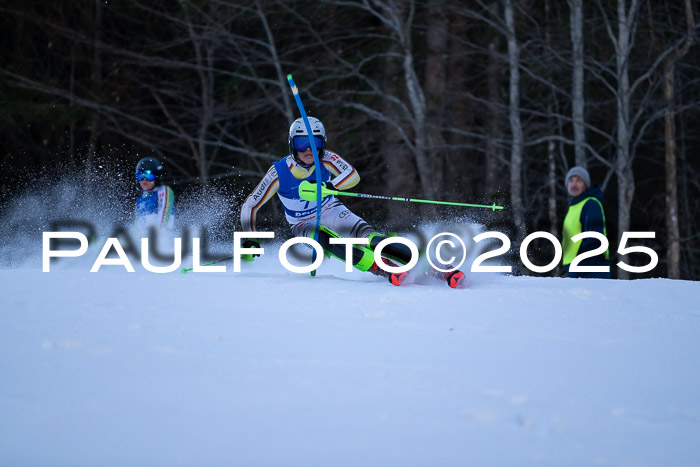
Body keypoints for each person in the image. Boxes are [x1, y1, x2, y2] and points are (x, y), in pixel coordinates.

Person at [239, 116, 464, 287]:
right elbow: (251, 204)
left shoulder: (327, 159)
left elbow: (352, 176)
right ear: (292, 145)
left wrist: (331, 186)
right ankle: (385, 270)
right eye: (301, 143)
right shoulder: (279, 171)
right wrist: (249, 237)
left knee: (374, 240)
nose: (308, 149)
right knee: (327, 240)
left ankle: (439, 267)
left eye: (314, 143)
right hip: (302, 224)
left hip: (333, 210)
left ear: (322, 144)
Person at [561, 166, 611, 278]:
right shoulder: (574, 207)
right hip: (578, 268)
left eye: (579, 180)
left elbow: (595, 238)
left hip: (591, 268)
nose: (574, 184)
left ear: (586, 185)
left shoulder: (591, 204)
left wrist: (580, 267)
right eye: (571, 180)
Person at [135, 157, 175, 231]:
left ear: (157, 177)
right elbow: (137, 226)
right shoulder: (140, 200)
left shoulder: (163, 191)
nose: (144, 181)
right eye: (140, 176)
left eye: (149, 176)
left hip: (162, 237)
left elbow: (164, 216)